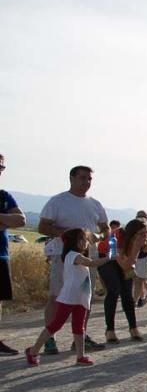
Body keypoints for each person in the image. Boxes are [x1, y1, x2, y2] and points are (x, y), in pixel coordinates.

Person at [37, 166, 110, 354]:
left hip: (88, 257)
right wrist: (68, 235)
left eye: (89, 179)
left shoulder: (95, 204)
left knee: (85, 298)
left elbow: (106, 228)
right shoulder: (58, 201)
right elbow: (43, 227)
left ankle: (80, 337)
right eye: (82, 178)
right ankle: (50, 339)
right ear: (71, 178)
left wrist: (98, 236)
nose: (86, 182)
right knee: (56, 296)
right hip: (64, 257)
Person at [25, 229, 110, 366]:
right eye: (83, 239)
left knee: (79, 327)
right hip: (70, 297)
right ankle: (33, 351)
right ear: (74, 242)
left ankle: (80, 356)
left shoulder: (75, 255)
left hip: (80, 298)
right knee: (55, 325)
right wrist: (108, 258)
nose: (86, 242)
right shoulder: (73, 255)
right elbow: (91, 263)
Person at [96, 218, 147, 342]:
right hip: (107, 257)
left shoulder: (140, 239)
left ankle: (133, 328)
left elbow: (129, 264)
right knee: (114, 290)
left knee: (127, 293)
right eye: (142, 234)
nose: (145, 236)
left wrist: (137, 246)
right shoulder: (117, 236)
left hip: (124, 258)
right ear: (132, 233)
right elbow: (125, 265)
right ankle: (110, 330)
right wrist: (136, 246)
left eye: (146, 233)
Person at [0, 154, 27, 356]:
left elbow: (20, 220)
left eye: (1, 167)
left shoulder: (3, 195)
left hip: (1, 255)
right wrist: (4, 220)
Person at [133, 211, 147, 307]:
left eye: (144, 216)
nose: (141, 218)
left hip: (143, 257)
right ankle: (141, 298)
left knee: (140, 279)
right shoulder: (132, 227)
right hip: (133, 257)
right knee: (136, 279)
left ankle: (134, 301)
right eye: (139, 216)